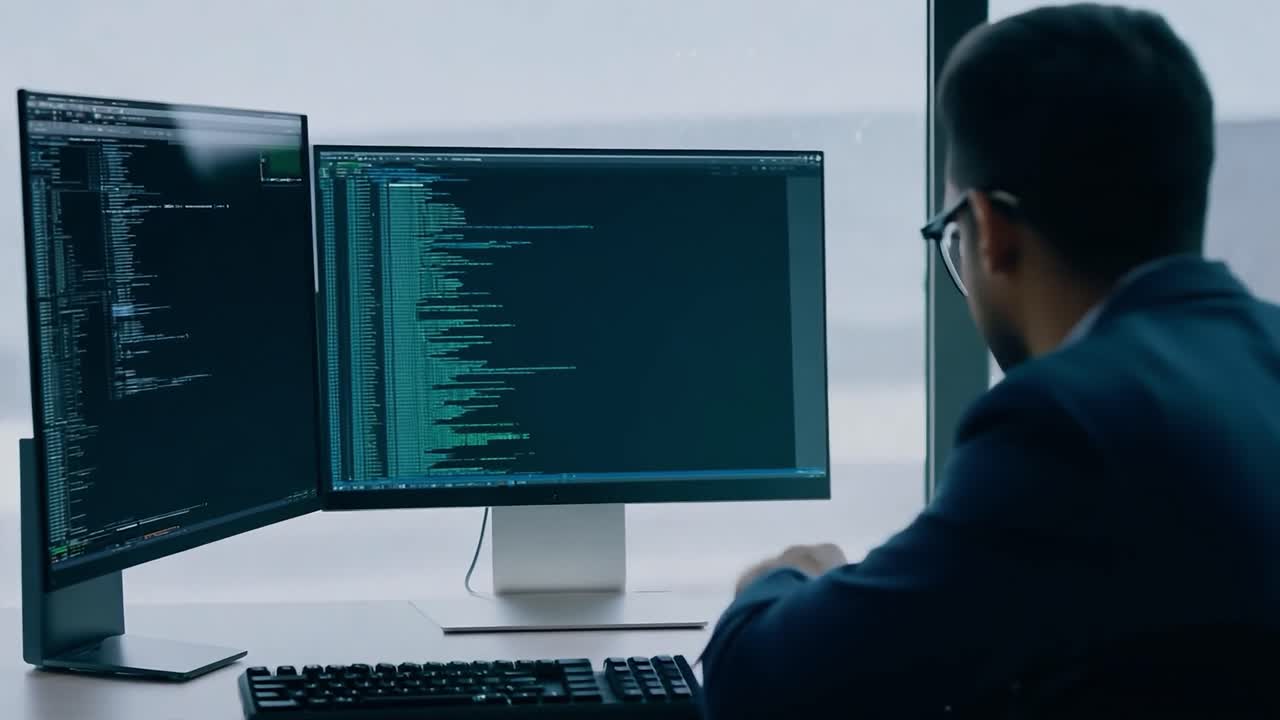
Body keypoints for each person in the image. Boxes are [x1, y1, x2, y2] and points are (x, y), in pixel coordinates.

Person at [700, 4, 1280, 718]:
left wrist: (783, 575)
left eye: (951, 234)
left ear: (993, 230)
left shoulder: (1066, 424)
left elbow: (758, 686)